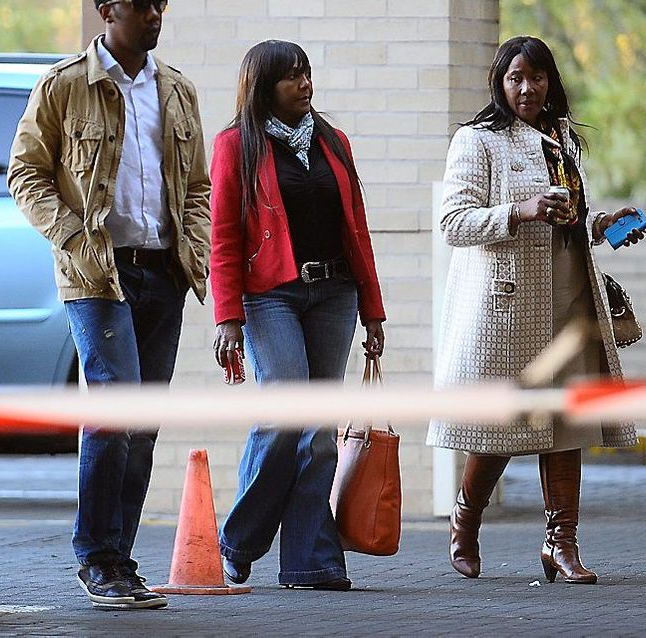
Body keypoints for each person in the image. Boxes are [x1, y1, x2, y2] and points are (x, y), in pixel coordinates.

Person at [7, 0, 210, 610]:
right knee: (114, 412)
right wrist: (73, 236)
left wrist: (192, 249)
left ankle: (119, 559)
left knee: (141, 426)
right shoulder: (65, 85)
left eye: (160, 4)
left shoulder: (177, 89)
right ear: (106, 10)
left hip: (162, 272)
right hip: (98, 274)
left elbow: (197, 185)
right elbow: (26, 173)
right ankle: (95, 557)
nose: (154, 14)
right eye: (141, 4)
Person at [427, 35, 646, 585]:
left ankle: (562, 544)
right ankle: (465, 519)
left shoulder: (561, 138)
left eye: (538, 77)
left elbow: (568, 217)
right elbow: (453, 222)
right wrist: (519, 211)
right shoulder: (477, 140)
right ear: (499, 83)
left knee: (568, 421)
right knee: (505, 426)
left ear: (552, 81)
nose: (527, 88)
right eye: (515, 78)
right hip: (510, 305)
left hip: (570, 297)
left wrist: (600, 226)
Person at [208, 40, 386, 591]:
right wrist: (227, 317)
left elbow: (356, 227)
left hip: (334, 293)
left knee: (320, 432)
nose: (305, 84)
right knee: (285, 419)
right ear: (263, 88)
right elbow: (223, 238)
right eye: (291, 77)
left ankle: (312, 560)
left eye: (307, 73)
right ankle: (238, 543)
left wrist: (372, 309)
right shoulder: (235, 146)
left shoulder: (334, 142)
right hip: (270, 297)